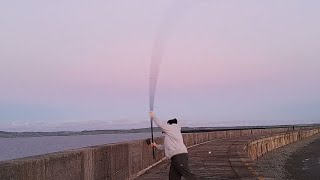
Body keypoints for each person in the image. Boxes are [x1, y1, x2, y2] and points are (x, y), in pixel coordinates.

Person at [149, 111, 198, 180]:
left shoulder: (172, 128)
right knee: (173, 177)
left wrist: (153, 116)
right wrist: (156, 145)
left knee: (188, 175)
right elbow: (166, 147)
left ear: (170, 124)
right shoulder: (172, 133)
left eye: (167, 125)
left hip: (179, 156)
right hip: (175, 158)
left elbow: (161, 124)